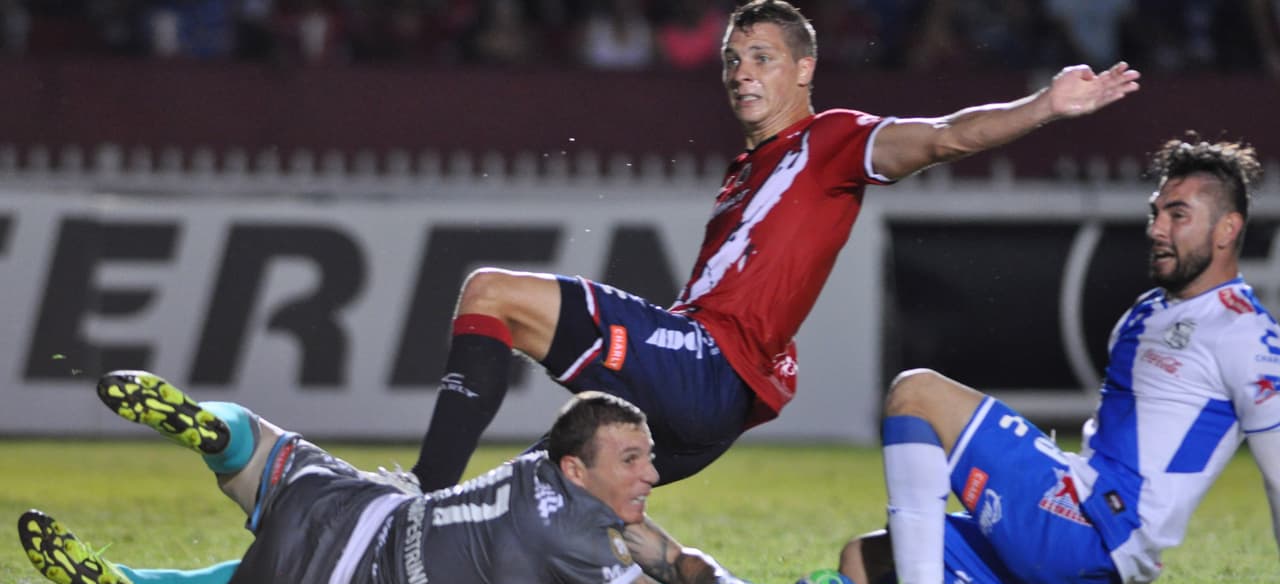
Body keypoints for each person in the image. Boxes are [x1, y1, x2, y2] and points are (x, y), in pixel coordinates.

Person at [409, 0, 1142, 493]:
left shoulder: (832, 140)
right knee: (539, 489)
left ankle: (421, 498)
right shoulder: (748, 171)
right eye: (732, 60)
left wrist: (1046, 105)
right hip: (707, 406)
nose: (741, 73)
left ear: (803, 70)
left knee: (490, 293)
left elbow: (946, 135)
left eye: (761, 58)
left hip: (710, 368)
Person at [17, 371, 863, 584]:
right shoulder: (574, 535)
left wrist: (724, 581)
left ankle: (206, 424)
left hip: (353, 513)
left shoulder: (549, 472)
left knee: (265, 450)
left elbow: (668, 557)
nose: (650, 472)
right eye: (633, 459)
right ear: (579, 466)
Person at [838, 135, 1273, 584]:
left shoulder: (1245, 334)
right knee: (866, 561)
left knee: (917, 394)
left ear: (1228, 229)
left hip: (1095, 534)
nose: (1157, 229)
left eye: (1178, 215)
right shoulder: (1148, 311)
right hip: (1081, 545)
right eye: (1155, 212)